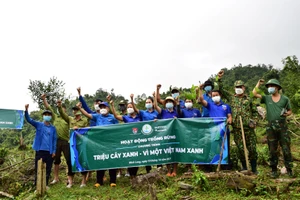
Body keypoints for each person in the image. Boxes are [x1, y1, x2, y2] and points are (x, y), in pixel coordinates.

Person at [253, 79, 293, 178]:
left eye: (272, 86)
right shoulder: (267, 98)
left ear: (278, 88)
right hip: (270, 126)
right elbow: (254, 93)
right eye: (269, 86)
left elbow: (290, 111)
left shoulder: (285, 99)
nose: (270, 88)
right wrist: (258, 83)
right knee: (272, 149)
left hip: (282, 125)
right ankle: (273, 170)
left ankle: (289, 169)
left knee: (286, 148)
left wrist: (286, 114)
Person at [218, 78, 259, 174]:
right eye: (236, 87)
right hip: (237, 129)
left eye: (240, 87)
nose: (238, 88)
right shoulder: (232, 98)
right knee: (240, 149)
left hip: (248, 129)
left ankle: (254, 168)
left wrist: (254, 122)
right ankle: (244, 167)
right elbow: (222, 90)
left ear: (244, 88)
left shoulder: (249, 99)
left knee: (252, 149)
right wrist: (220, 79)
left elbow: (255, 112)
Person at [77, 101, 119, 187]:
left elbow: (117, 128)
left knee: (112, 160)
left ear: (108, 108)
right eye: (101, 107)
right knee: (100, 160)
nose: (103, 109)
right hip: (99, 143)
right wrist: (80, 108)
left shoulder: (113, 117)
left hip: (110, 143)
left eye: (104, 107)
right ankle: (99, 181)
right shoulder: (97, 117)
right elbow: (87, 115)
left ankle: (113, 181)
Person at [41, 94, 75, 188]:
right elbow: (48, 107)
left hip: (66, 141)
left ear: (65, 110)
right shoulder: (55, 117)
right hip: (56, 142)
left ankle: (70, 180)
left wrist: (60, 106)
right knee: (56, 161)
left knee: (69, 160)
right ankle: (56, 178)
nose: (59, 110)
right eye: (58, 109)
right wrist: (44, 99)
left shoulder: (68, 119)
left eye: (61, 109)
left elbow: (63, 113)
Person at [110, 95, 141, 186]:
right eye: (128, 107)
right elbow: (116, 116)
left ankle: (134, 175)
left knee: (137, 159)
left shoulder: (140, 117)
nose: (129, 108)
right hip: (129, 142)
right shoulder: (126, 118)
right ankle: (132, 177)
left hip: (139, 141)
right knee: (130, 158)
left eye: (131, 107)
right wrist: (112, 105)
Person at [198, 88, 232, 170]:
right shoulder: (210, 105)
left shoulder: (226, 106)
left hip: (224, 131)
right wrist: (199, 89)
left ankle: (225, 167)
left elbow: (229, 116)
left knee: (225, 148)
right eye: (213, 96)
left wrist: (229, 119)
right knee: (212, 148)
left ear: (220, 95)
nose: (215, 97)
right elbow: (201, 100)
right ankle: (210, 166)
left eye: (216, 95)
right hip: (213, 131)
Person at [57, 101, 89, 188]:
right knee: (70, 162)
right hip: (71, 144)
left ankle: (83, 181)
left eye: (76, 110)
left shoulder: (85, 120)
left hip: (81, 143)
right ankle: (70, 181)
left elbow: (87, 131)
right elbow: (63, 115)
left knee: (83, 161)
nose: (75, 111)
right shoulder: (70, 119)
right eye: (74, 110)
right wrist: (59, 106)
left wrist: (79, 129)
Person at [24, 104, 57, 188]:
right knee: (38, 168)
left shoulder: (53, 128)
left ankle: (45, 185)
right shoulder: (39, 124)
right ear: (43, 116)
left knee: (48, 169)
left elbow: (54, 140)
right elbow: (29, 120)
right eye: (45, 115)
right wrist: (26, 110)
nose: (47, 116)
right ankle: (37, 186)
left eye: (49, 115)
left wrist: (53, 151)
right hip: (39, 151)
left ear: (51, 117)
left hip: (49, 152)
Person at [131, 93, 160, 173]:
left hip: (156, 135)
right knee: (147, 151)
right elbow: (135, 109)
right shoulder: (143, 112)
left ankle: (159, 167)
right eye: (146, 102)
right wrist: (132, 99)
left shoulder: (157, 112)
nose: (148, 104)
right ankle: (148, 169)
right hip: (145, 135)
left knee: (157, 150)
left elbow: (161, 122)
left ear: (152, 103)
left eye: (149, 102)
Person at [154, 85, 179, 177]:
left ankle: (175, 170)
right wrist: (157, 90)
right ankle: (169, 171)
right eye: (167, 101)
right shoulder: (163, 112)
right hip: (165, 135)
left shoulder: (176, 112)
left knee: (175, 152)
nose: (169, 103)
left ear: (173, 103)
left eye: (170, 101)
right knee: (167, 152)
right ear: (165, 104)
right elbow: (155, 106)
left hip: (175, 135)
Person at [177, 98, 201, 172]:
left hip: (196, 133)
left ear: (192, 102)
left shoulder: (196, 111)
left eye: (189, 101)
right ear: (184, 103)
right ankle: (189, 167)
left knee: (197, 149)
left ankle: (198, 166)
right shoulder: (183, 111)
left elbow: (201, 121)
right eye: (186, 102)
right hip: (186, 133)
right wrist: (177, 105)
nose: (188, 102)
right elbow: (179, 113)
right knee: (188, 150)